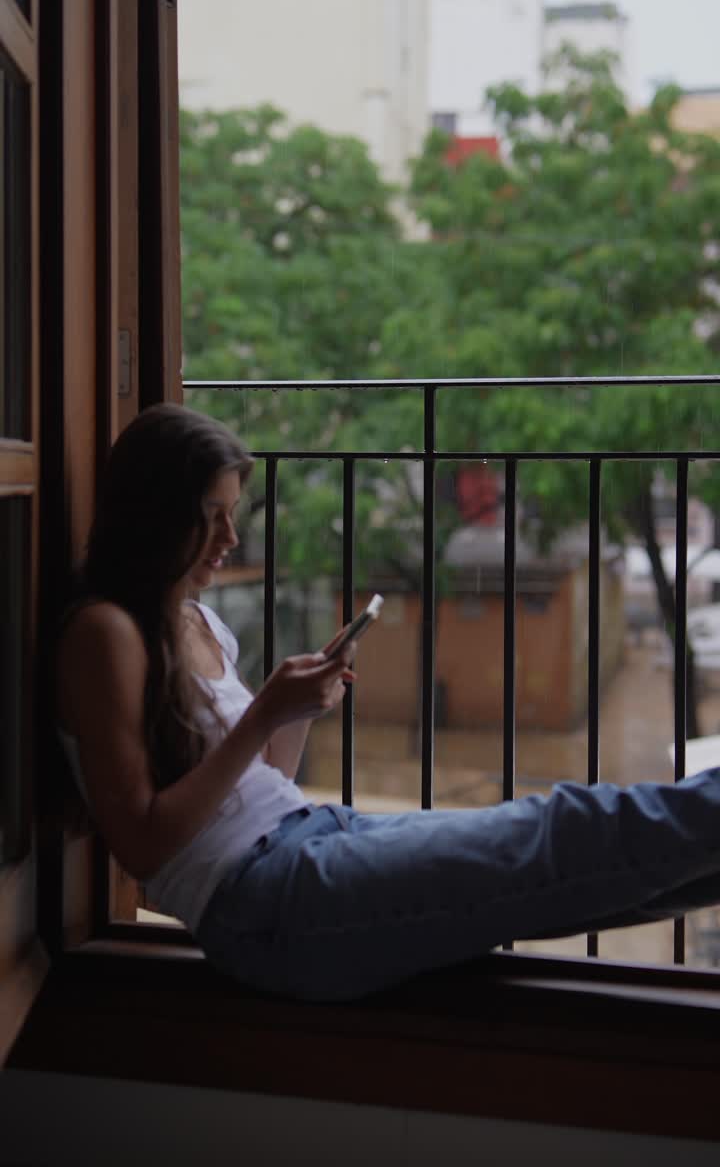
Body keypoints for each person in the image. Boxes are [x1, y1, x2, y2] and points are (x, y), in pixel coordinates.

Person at [56, 402, 720, 1002]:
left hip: (310, 836)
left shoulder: (198, 621)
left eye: (234, 512)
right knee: (564, 833)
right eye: (210, 517)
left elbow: (264, 784)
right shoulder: (105, 632)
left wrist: (296, 711)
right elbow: (143, 845)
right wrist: (261, 714)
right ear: (155, 516)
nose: (230, 536)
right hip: (267, 905)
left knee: (579, 878)